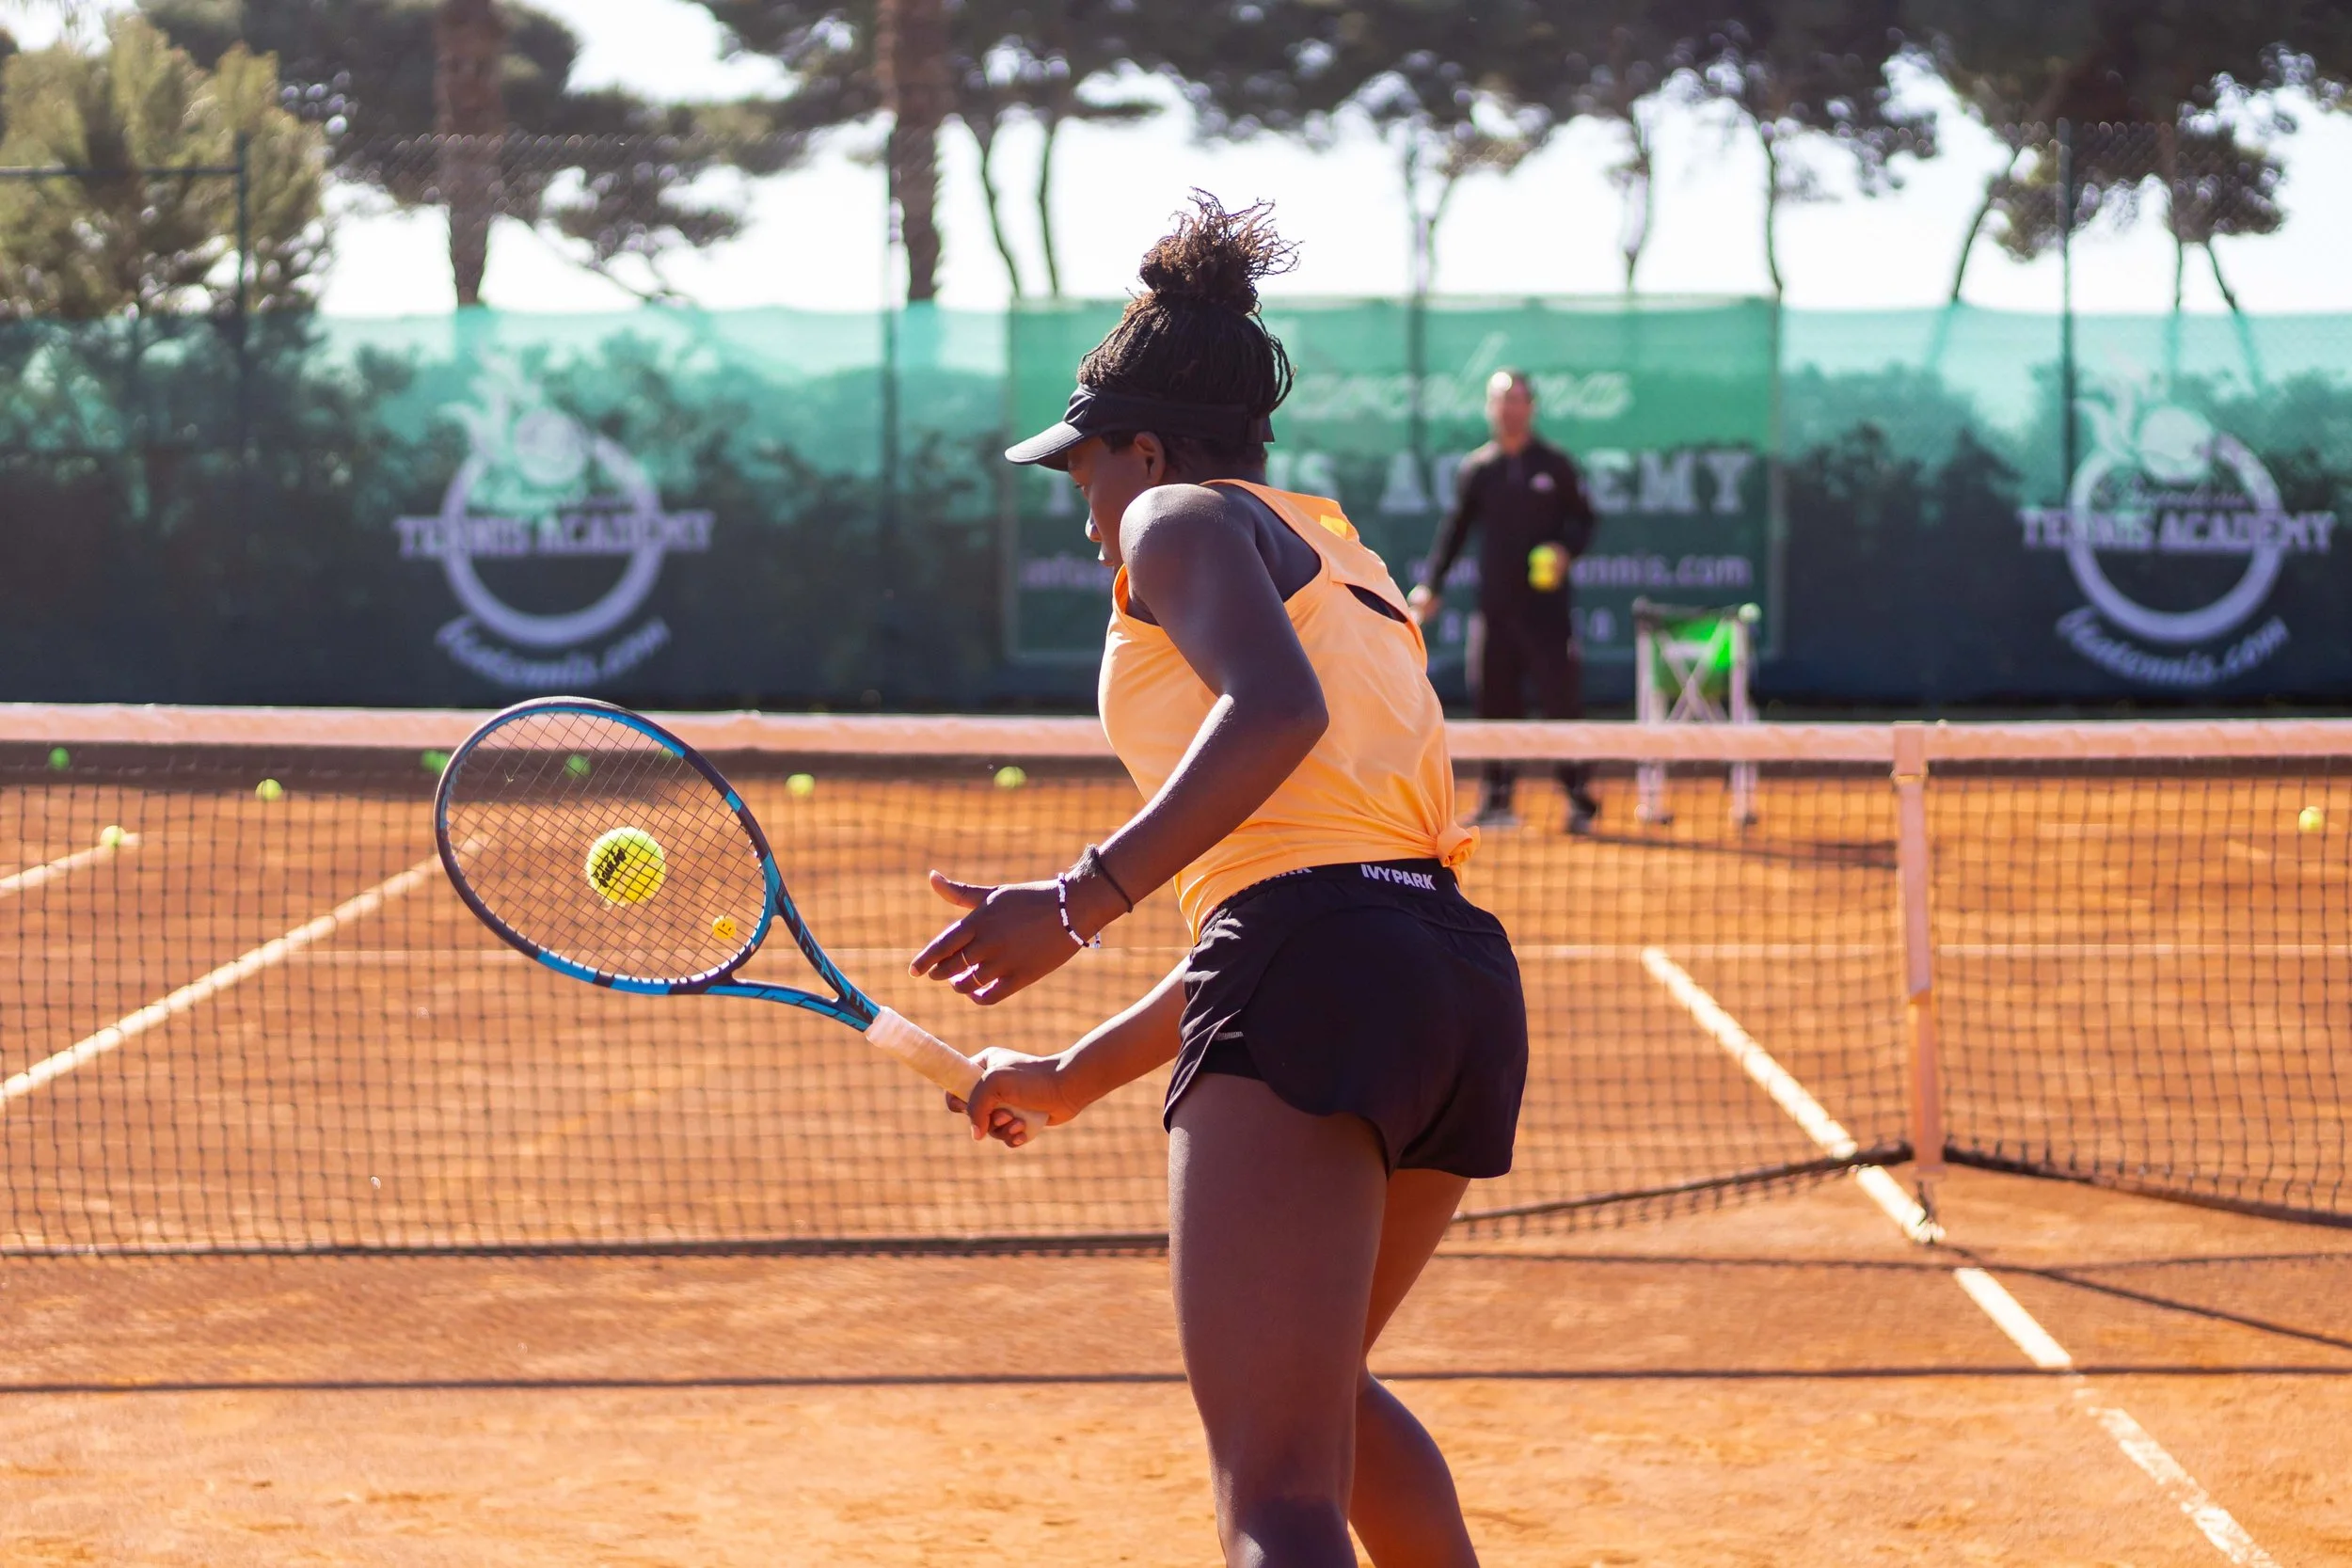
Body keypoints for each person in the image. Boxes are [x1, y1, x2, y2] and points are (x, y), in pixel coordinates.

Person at [908, 194, 1527, 1568]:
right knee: (1323, 1404)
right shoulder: (1345, 554)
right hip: (1453, 980)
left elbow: (1275, 729)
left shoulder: (1174, 516)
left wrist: (1075, 900)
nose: (1088, 517)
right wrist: (1073, 1072)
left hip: (1324, 967)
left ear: (1144, 448)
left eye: (1084, 473)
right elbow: (1310, 888)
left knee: (1276, 1493)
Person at [1406, 370, 1601, 833]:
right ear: (1491, 408)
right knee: (1494, 703)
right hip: (1495, 612)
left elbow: (1584, 521)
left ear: (1531, 407)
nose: (1510, 408)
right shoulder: (1479, 469)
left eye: (1518, 400)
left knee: (1560, 704)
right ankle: (1497, 801)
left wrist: (1564, 549)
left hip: (1548, 615)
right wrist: (1432, 584)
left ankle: (1578, 799)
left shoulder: (1556, 466)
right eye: (1502, 400)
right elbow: (1455, 531)